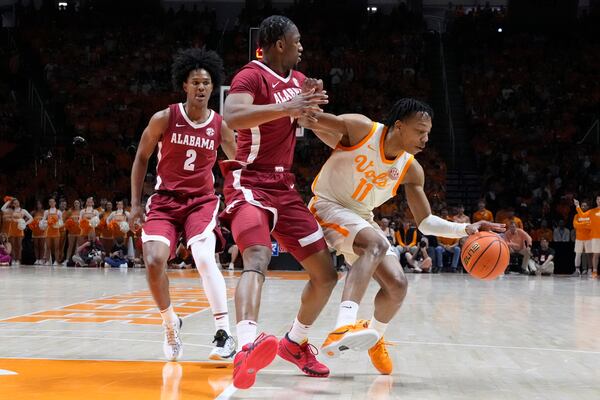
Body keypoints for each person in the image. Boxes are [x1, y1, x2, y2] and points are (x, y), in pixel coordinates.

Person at [301, 98, 504, 375]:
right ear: (398, 126)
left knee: (397, 285)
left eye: (428, 133)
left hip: (360, 217)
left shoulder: (411, 169)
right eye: (420, 131)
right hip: (327, 205)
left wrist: (466, 229)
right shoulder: (362, 129)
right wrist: (305, 102)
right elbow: (313, 120)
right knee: (376, 243)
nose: (426, 138)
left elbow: (425, 222)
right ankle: (342, 326)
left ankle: (375, 335)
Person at [221, 15, 336, 388]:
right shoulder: (250, 76)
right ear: (280, 43)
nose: (302, 46)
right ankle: (244, 347)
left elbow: (305, 119)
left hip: (284, 186)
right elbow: (233, 115)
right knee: (257, 256)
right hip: (248, 179)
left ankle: (294, 342)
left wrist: (313, 111)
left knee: (326, 273)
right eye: (297, 40)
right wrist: (289, 108)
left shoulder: (300, 82)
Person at [129, 48, 237, 363]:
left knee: (204, 257)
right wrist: (136, 204)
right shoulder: (165, 118)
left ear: (212, 87)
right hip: (164, 201)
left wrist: (242, 197)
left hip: (201, 202)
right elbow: (141, 158)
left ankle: (223, 332)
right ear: (185, 86)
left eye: (206, 83)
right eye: (195, 82)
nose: (201, 87)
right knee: (153, 261)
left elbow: (238, 163)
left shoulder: (220, 125)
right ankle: (170, 324)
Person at [3, 198, 33, 265]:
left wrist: (25, 224)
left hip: (19, 230)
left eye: (17, 202)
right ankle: (13, 259)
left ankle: (18, 259)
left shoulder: (23, 210)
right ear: (12, 204)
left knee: (19, 245)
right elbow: (2, 209)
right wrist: (9, 201)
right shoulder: (10, 210)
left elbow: (31, 218)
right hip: (12, 229)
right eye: (14, 203)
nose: (16, 204)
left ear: (19, 203)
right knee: (12, 245)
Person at [572, 199, 592, 276]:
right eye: (582, 206)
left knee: (589, 255)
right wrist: (585, 224)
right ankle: (577, 270)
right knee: (578, 254)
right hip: (579, 239)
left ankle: (590, 270)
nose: (583, 207)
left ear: (588, 207)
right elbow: (575, 225)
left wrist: (581, 225)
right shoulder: (576, 216)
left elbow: (590, 226)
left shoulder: (590, 215)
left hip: (588, 239)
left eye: (584, 206)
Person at [42, 198, 63, 265]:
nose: (51, 203)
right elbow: (43, 220)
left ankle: (56, 261)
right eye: (50, 202)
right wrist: (46, 223)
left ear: (55, 203)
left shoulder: (59, 212)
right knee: (48, 247)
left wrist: (57, 224)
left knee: (56, 247)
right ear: (49, 203)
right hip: (48, 231)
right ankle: (48, 261)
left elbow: (61, 221)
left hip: (56, 231)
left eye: (53, 202)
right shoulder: (46, 212)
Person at [65, 199, 82, 265]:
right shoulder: (70, 211)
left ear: (80, 204)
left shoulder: (82, 211)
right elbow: (65, 221)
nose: (76, 204)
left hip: (79, 232)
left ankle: (76, 260)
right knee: (70, 246)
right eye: (75, 203)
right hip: (71, 232)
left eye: (77, 203)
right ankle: (67, 259)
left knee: (77, 247)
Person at [30, 200, 47, 265]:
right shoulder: (33, 212)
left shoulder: (44, 212)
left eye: (40, 204)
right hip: (35, 231)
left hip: (42, 231)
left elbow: (48, 220)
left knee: (42, 246)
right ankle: (37, 259)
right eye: (37, 204)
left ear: (42, 205)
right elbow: (28, 219)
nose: (38, 205)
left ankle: (42, 259)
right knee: (36, 246)